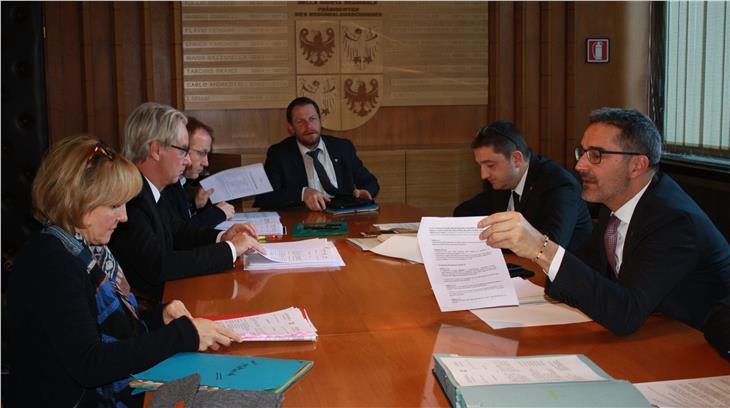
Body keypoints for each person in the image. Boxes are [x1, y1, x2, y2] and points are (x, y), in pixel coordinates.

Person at [8, 136, 241, 407]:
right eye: (115, 206)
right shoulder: (51, 264)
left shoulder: (83, 248)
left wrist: (158, 317)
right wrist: (183, 336)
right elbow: (91, 364)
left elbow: (103, 328)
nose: (124, 217)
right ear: (80, 202)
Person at [478, 108, 730, 335]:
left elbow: (626, 313)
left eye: (596, 155)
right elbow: (580, 275)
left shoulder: (674, 221)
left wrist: (541, 248)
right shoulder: (616, 206)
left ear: (637, 165)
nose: (579, 165)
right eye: (583, 152)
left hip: (696, 348)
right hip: (653, 333)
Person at [109, 102, 264, 306]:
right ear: (155, 150)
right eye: (183, 150)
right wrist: (230, 250)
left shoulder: (151, 189)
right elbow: (159, 265)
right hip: (148, 310)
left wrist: (222, 237)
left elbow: (178, 232)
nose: (188, 161)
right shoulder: (130, 197)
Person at [454, 120, 592, 251]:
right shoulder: (503, 182)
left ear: (516, 159)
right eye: (481, 166)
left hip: (568, 273)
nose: (483, 175)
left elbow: (551, 247)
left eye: (490, 165)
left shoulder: (558, 184)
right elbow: (464, 212)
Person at [253, 96, 379, 211]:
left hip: (344, 215)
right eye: (300, 122)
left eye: (312, 119)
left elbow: (370, 181)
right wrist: (302, 194)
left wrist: (366, 191)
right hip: (303, 219)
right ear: (291, 127)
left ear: (320, 121)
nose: (308, 126)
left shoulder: (342, 147)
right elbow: (265, 198)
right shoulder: (279, 154)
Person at [161, 116, 235, 228]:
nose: (206, 163)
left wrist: (195, 205)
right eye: (201, 153)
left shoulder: (180, 182)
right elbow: (179, 235)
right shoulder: (166, 184)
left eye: (207, 154)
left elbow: (180, 223)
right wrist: (217, 214)